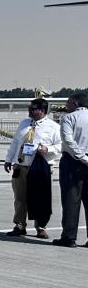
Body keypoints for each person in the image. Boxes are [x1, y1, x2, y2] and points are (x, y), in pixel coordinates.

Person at [3, 97, 60, 238]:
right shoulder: (24, 123)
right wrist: (8, 159)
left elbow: (62, 146)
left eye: (33, 109)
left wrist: (48, 149)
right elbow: (15, 143)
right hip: (21, 167)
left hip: (40, 169)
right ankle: (20, 225)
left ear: (42, 111)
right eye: (29, 108)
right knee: (20, 198)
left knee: (40, 198)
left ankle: (41, 227)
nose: (29, 111)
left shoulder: (53, 127)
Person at [55, 93, 88, 247]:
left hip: (73, 161)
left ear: (75, 103)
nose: (66, 105)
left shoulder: (69, 118)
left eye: (68, 102)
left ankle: (69, 237)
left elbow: (68, 140)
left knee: (70, 200)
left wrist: (82, 157)